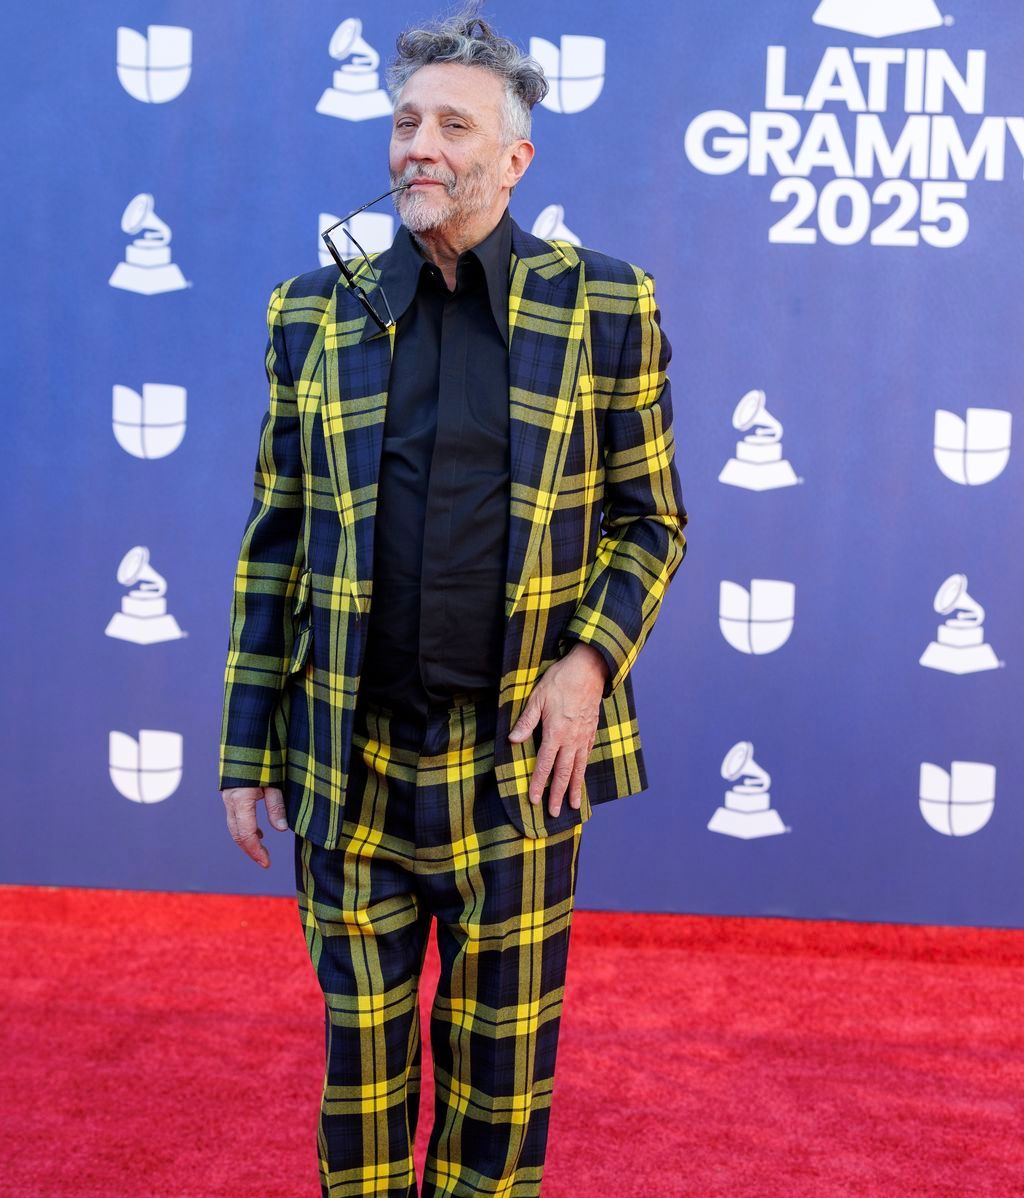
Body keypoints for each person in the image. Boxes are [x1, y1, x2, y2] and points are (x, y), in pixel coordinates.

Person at [218, 8, 687, 1196]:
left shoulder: (602, 305)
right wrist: (244, 747)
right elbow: (276, 538)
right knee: (359, 1086)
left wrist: (588, 664)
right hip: (351, 762)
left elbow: (651, 519)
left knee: (499, 1091)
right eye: (405, 121)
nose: (418, 146)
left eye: (451, 125)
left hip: (515, 767)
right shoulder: (310, 313)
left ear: (513, 158)